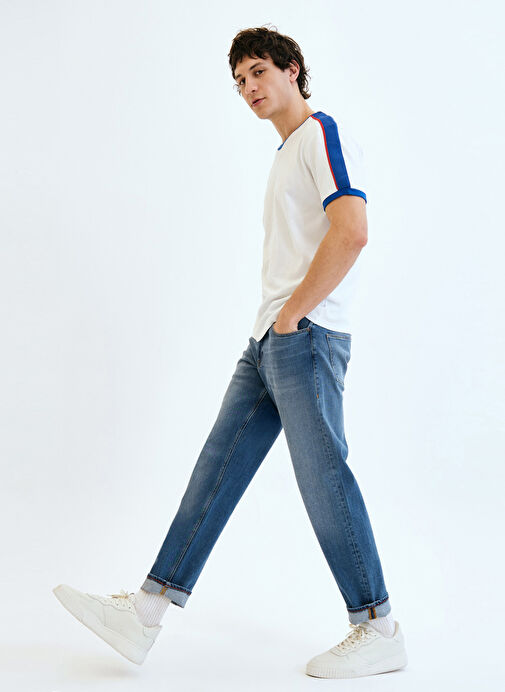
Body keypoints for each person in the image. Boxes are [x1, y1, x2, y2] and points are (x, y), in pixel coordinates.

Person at [53, 25, 408, 679]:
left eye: (258, 72)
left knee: (323, 478)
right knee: (216, 469)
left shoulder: (321, 135)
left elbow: (353, 231)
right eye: (239, 80)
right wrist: (275, 325)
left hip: (304, 336)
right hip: (270, 340)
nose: (248, 88)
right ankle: (146, 611)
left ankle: (378, 626)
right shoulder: (286, 153)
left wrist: (294, 316)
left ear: (292, 69)